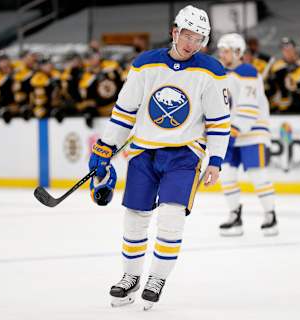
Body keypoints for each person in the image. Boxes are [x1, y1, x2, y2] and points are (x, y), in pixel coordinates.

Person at [87, 5, 230, 310]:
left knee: (171, 216)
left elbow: (218, 122)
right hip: (143, 152)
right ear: (175, 31)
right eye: (189, 35)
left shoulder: (211, 70)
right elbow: (124, 112)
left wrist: (215, 160)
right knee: (135, 219)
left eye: (200, 38)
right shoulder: (145, 65)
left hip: (184, 155)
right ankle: (130, 276)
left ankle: (157, 278)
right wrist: (105, 147)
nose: (193, 43)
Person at [216, 33, 278, 237]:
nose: (222, 54)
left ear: (237, 52)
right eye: (221, 51)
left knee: (257, 175)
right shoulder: (223, 75)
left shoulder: (247, 71)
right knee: (226, 175)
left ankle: (271, 216)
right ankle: (235, 216)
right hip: (231, 132)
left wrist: (235, 130)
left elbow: (249, 108)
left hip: (253, 132)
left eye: (225, 51)